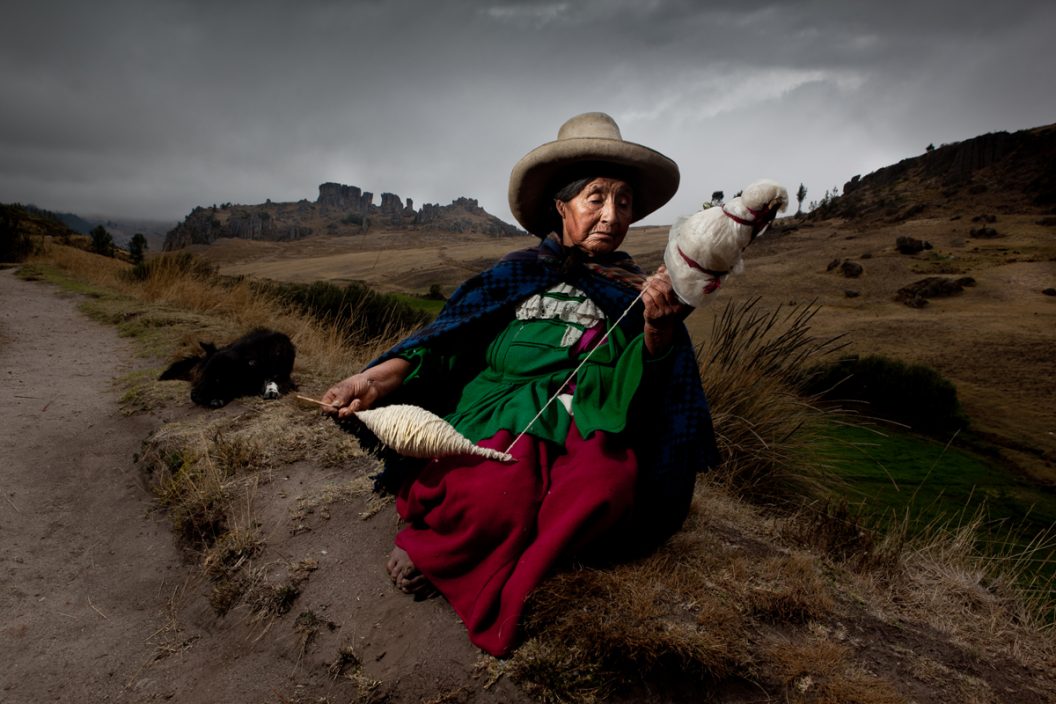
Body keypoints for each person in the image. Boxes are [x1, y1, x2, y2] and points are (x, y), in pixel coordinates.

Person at [321, 112, 718, 657]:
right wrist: (370, 379)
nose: (611, 215)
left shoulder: (639, 289)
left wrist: (657, 328)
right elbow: (445, 341)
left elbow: (657, 386)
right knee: (495, 491)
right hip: (498, 405)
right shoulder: (517, 271)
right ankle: (431, 544)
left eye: (623, 202)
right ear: (562, 205)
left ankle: (508, 554)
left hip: (588, 415)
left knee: (603, 488)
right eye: (595, 197)